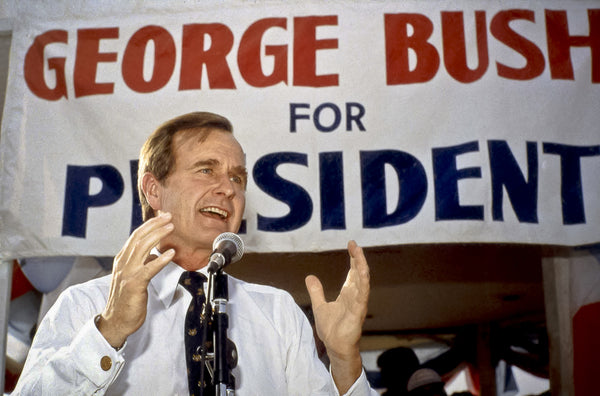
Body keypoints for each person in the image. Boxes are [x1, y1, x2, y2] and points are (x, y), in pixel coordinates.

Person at [13, 112, 377, 395]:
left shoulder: (279, 313)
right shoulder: (84, 305)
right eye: (206, 170)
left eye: (237, 178)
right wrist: (110, 331)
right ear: (153, 190)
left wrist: (344, 360)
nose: (228, 189)